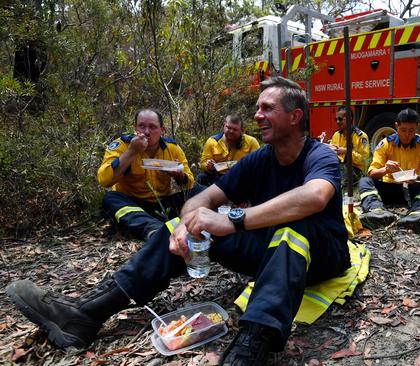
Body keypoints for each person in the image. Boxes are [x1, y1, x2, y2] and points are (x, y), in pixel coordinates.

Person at [6, 77, 352, 366]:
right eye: (257, 107)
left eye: (267, 108)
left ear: (294, 117)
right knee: (175, 225)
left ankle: (252, 345)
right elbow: (203, 196)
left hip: (322, 256)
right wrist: (188, 224)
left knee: (293, 232)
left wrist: (232, 219)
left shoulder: (318, 154)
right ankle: (85, 314)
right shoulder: (260, 158)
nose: (257, 115)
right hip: (270, 250)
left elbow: (314, 197)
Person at [97, 109, 198, 241]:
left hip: (162, 206)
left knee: (199, 192)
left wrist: (179, 175)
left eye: (152, 127)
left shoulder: (172, 148)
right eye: (142, 126)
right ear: (135, 128)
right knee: (109, 199)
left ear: (162, 130)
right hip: (132, 206)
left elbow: (190, 182)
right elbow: (104, 180)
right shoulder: (122, 145)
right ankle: (155, 230)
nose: (146, 132)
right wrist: (131, 151)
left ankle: (193, 223)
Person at [358, 108, 420, 234]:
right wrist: (385, 169)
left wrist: (416, 177)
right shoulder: (386, 144)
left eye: (411, 130)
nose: (407, 135)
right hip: (390, 188)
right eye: (403, 130)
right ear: (396, 126)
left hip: (413, 189)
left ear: (417, 127)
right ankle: (375, 211)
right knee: (365, 181)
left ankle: (417, 213)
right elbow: (372, 172)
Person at [197, 114, 260, 186]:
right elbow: (203, 163)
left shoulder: (251, 142)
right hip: (217, 177)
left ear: (242, 130)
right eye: (229, 128)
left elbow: (257, 163)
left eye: (235, 129)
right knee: (202, 177)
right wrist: (209, 166)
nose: (231, 131)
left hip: (241, 177)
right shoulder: (212, 141)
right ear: (224, 125)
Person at [327, 106, 370, 187]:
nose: (337, 122)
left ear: (349, 118)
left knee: (340, 178)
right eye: (336, 119)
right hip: (338, 166)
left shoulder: (361, 136)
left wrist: (347, 152)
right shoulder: (336, 135)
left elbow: (364, 160)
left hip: (355, 169)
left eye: (340, 119)